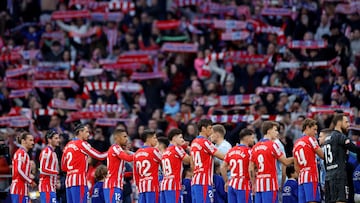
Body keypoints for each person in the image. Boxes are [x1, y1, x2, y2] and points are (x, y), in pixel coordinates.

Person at [61, 124, 107, 203]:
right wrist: (112, 151)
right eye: (86, 132)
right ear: (80, 132)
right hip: (79, 182)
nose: (88, 134)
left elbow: (63, 167)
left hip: (68, 182)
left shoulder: (67, 146)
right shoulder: (82, 144)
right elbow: (100, 156)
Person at [249, 121, 294, 203]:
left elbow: (251, 169)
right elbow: (286, 162)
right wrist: (297, 157)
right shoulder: (273, 145)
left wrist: (253, 184)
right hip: (270, 184)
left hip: (259, 184)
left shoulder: (255, 147)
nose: (277, 133)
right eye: (275, 130)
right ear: (268, 131)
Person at [324, 113, 360, 203]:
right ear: (339, 123)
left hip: (328, 177)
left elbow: (325, 160)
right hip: (339, 176)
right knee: (341, 201)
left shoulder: (327, 139)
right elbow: (354, 148)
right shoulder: (339, 136)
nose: (348, 124)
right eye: (346, 122)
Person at [190, 119, 225, 203]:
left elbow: (192, 164)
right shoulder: (205, 142)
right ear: (203, 128)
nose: (212, 130)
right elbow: (222, 156)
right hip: (204, 182)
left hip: (195, 181)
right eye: (210, 128)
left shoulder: (194, 142)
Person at [293, 118, 324, 203]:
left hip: (302, 178)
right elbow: (323, 155)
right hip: (311, 176)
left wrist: (302, 174)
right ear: (307, 128)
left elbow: (296, 164)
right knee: (312, 201)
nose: (316, 132)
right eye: (314, 129)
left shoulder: (296, 143)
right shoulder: (311, 139)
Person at [221, 128, 255, 203]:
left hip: (232, 183)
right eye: (252, 138)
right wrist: (253, 183)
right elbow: (251, 169)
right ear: (247, 138)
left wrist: (226, 181)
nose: (253, 140)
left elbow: (222, 167)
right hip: (244, 184)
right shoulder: (250, 151)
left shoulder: (231, 150)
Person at [160, 128, 190, 203]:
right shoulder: (177, 148)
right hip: (174, 185)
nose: (182, 140)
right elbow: (188, 161)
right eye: (180, 137)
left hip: (165, 184)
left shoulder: (166, 151)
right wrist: (189, 148)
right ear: (174, 138)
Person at [104, 128, 134, 203]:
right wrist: (142, 154)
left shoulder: (118, 149)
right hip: (112, 185)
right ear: (117, 138)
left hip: (116, 185)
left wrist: (133, 173)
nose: (127, 139)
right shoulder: (115, 147)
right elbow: (128, 158)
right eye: (124, 137)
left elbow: (119, 173)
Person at [133, 129, 162, 203]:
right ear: (148, 139)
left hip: (141, 187)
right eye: (154, 138)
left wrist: (138, 186)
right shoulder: (154, 151)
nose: (156, 140)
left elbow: (135, 174)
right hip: (152, 186)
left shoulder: (136, 153)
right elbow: (164, 162)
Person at [10, 132, 36, 203]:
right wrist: (30, 181)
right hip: (18, 188)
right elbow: (19, 170)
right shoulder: (21, 153)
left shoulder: (23, 153)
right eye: (30, 140)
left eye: (33, 140)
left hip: (23, 187)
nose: (33, 142)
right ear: (23, 141)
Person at [39, 130, 60, 203]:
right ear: (49, 139)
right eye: (56, 138)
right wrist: (56, 172)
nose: (58, 140)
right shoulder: (46, 151)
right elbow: (43, 169)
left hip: (51, 186)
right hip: (46, 186)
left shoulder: (53, 153)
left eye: (58, 138)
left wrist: (56, 179)